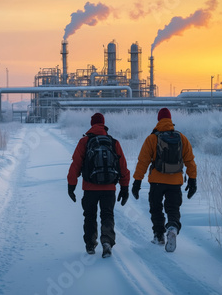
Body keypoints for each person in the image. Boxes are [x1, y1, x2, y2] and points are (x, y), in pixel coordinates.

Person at [132, 108, 197, 252]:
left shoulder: (152, 138)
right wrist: (193, 180)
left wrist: (137, 181)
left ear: (158, 120)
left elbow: (142, 161)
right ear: (170, 120)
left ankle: (159, 235)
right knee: (173, 208)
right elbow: (190, 161)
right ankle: (172, 226)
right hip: (175, 181)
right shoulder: (182, 138)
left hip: (156, 181)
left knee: (156, 208)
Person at [67, 113, 130, 258]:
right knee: (107, 215)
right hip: (109, 188)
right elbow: (123, 167)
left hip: (90, 188)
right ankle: (107, 242)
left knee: (89, 216)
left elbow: (75, 165)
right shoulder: (113, 142)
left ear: (91, 124)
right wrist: (124, 187)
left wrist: (71, 185)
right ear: (103, 124)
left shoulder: (84, 141)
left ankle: (90, 244)